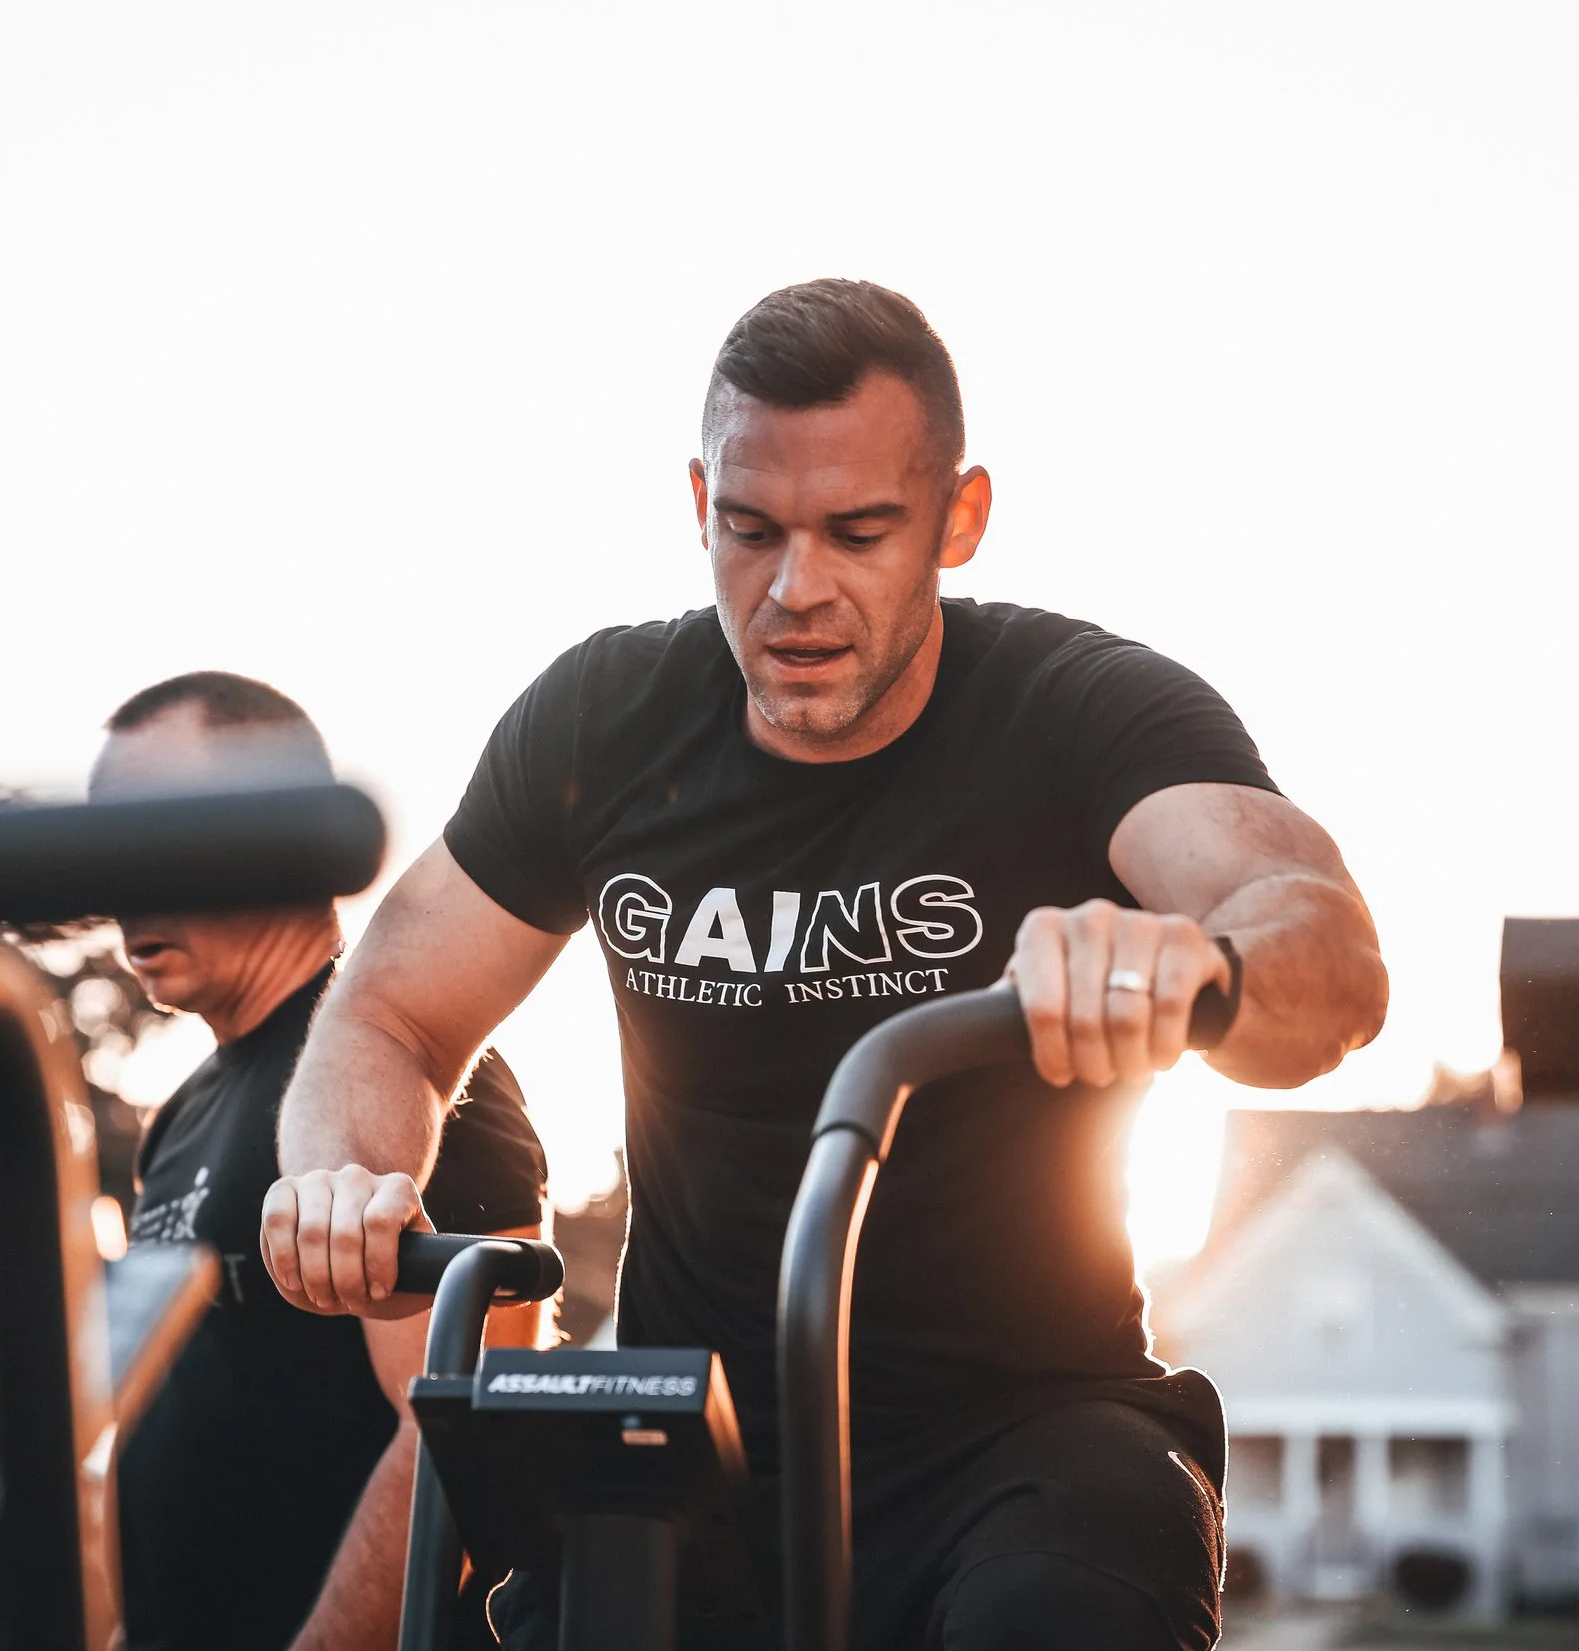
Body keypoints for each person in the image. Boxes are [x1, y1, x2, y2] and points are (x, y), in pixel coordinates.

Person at [260, 282, 1388, 1648]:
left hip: (1023, 1435)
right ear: (700, 502)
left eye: (859, 531)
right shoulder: (604, 722)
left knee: (1071, 1589)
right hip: (702, 1436)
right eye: (752, 529)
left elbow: (1323, 951)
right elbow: (389, 1010)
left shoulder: (1080, 709)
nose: (796, 589)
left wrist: (1192, 963)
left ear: (957, 519)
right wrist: (343, 1175)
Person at [96, 671, 550, 1651]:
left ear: (292, 831)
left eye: (157, 827)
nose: (116, 874)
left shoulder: (397, 1091)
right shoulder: (184, 1111)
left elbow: (471, 1432)